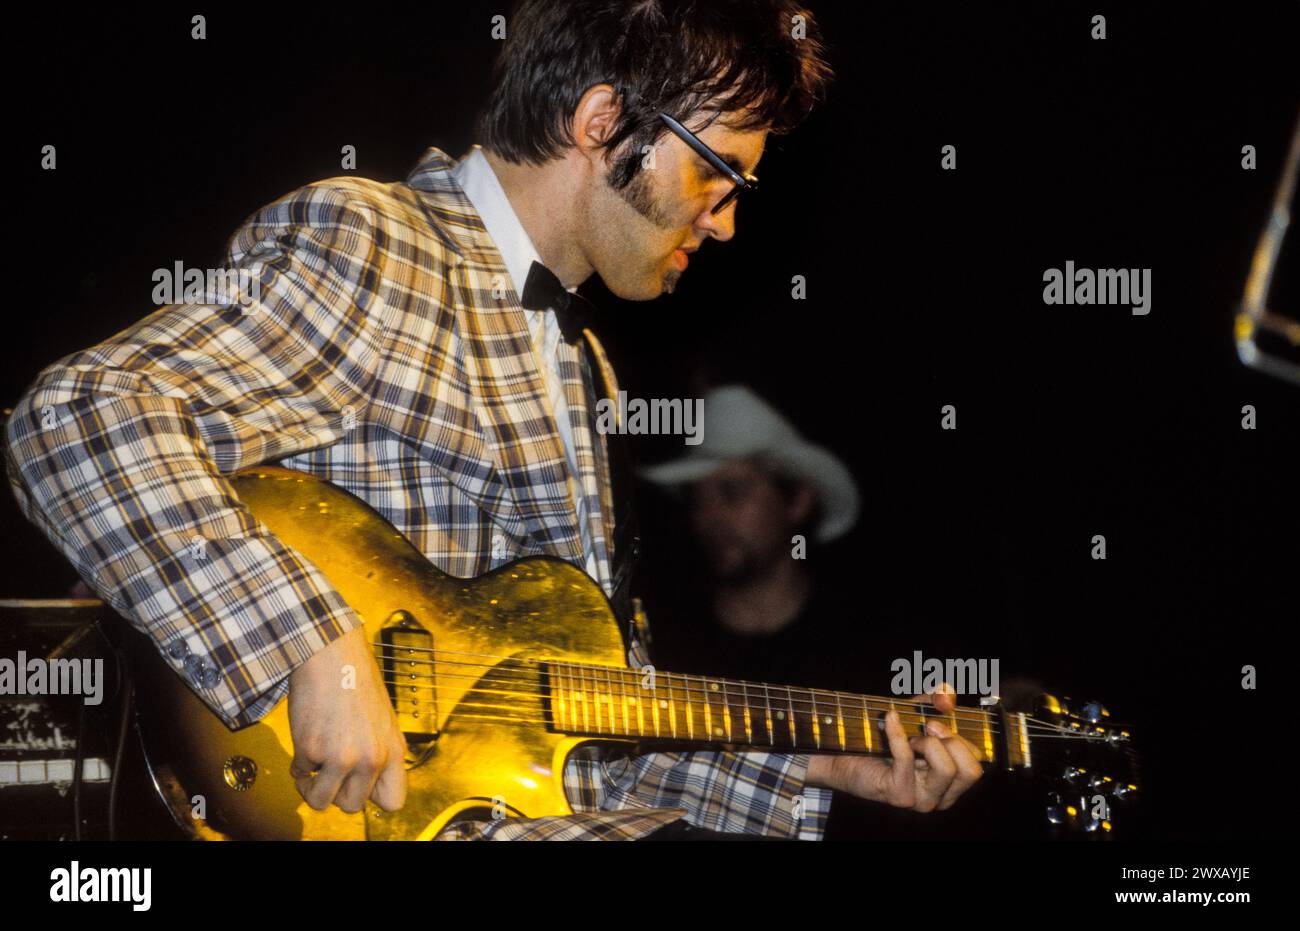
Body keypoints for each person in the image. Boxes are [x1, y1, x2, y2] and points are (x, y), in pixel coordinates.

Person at [4, 0, 981, 840]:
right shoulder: (379, 243)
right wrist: (310, 645)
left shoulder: (585, 366)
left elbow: (573, 750)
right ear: (602, 121)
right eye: (717, 171)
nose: (726, 220)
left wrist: (821, 768)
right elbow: (78, 416)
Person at [641, 384, 865, 690]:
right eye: (696, 498)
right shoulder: (659, 642)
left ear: (798, 500)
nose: (708, 517)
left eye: (732, 492)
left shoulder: (858, 641)